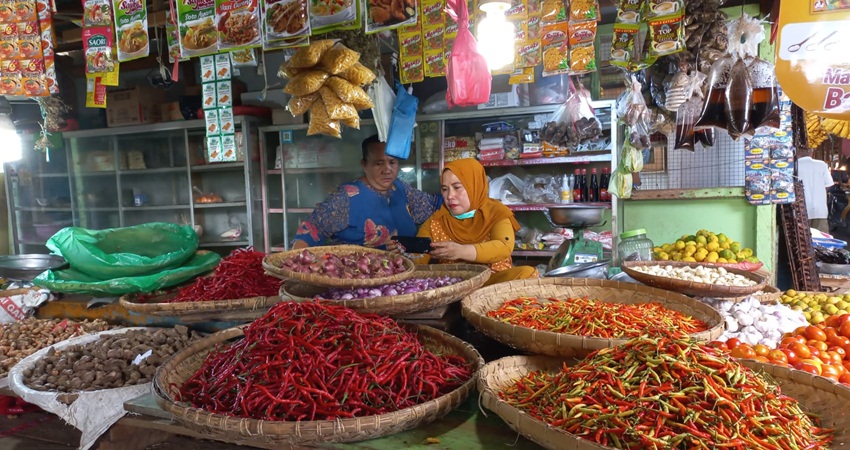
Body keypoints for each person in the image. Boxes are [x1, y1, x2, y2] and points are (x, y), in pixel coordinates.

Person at [291, 135, 442, 249]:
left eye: (392, 162)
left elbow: (436, 205)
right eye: (378, 163)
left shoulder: (401, 189)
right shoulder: (346, 197)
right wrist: (298, 269)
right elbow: (310, 232)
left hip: (403, 280)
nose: (387, 170)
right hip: (358, 282)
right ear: (364, 165)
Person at [412, 158, 537, 286]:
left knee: (527, 273)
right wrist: (400, 252)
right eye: (445, 189)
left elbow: (503, 247)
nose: (450, 196)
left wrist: (460, 251)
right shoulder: (436, 222)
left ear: (474, 185)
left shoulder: (495, 212)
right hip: (453, 288)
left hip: (491, 285)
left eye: (457, 187)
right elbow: (416, 260)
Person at [798, 148, 835, 234]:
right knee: (821, 242)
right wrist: (818, 192)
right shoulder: (821, 165)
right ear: (812, 152)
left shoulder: (793, 166)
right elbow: (828, 185)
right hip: (819, 210)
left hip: (800, 210)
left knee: (802, 242)